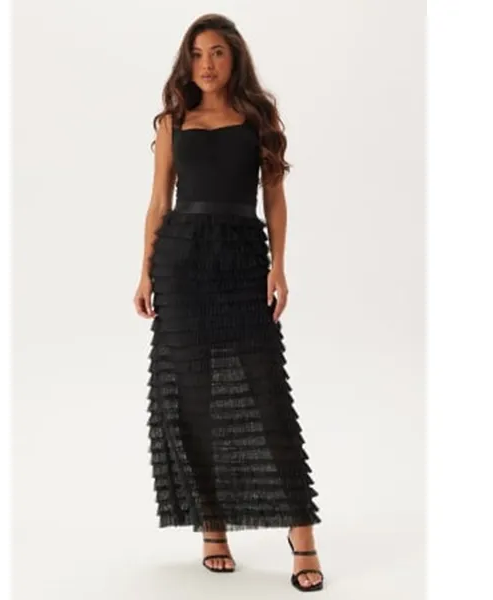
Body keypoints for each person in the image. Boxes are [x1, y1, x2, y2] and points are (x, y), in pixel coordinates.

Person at [133, 14, 325, 593]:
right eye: (197, 54)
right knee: (195, 399)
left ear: (235, 57)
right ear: (186, 62)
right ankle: (212, 527)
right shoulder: (172, 122)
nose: (207, 64)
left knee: (268, 397)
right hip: (182, 262)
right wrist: (145, 272)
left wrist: (278, 266)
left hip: (242, 259)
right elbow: (158, 202)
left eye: (217, 52)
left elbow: (275, 196)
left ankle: (302, 532)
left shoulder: (257, 118)